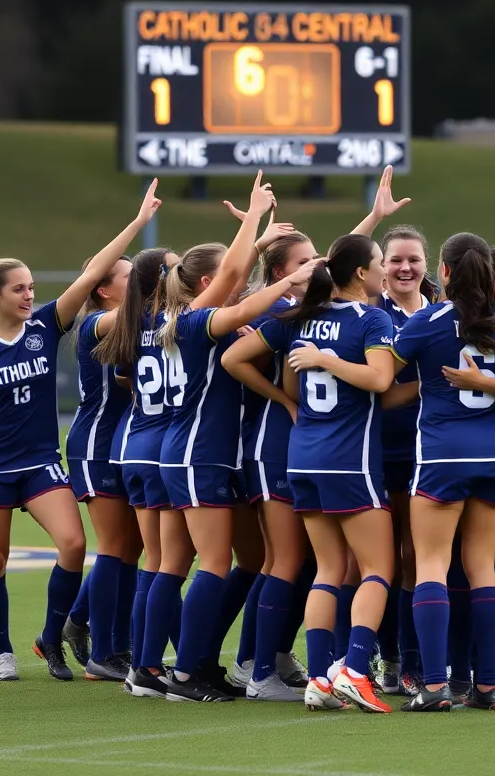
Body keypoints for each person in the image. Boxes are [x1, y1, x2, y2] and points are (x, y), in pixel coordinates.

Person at [0, 181, 162, 682]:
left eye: (32, 286)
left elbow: (96, 273)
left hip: (39, 460)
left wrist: (139, 221)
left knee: (74, 545)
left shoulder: (45, 326)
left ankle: (53, 637)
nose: (29, 294)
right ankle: (2, 651)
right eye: (19, 288)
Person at [224, 233, 397, 714]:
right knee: (378, 569)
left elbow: (234, 359)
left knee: (328, 569)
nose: (383, 270)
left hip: (302, 458)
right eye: (379, 262)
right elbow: (381, 380)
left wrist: (285, 399)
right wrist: (330, 361)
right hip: (350, 461)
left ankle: (320, 678)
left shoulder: (299, 318)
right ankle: (355, 672)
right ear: (361, 273)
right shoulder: (371, 318)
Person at [152, 220, 319, 703]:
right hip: (194, 453)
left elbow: (239, 292)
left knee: (237, 562)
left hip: (210, 455)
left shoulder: (207, 319)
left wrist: (262, 243)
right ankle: (184, 673)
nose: (241, 284)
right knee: (211, 564)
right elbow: (239, 291)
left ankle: (201, 663)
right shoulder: (192, 321)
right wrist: (270, 254)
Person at [390, 233, 495, 712]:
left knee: (430, 563)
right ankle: (489, 685)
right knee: (482, 566)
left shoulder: (426, 321)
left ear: (443, 272)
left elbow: (381, 376)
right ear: (492, 277)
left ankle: (433, 686)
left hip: (443, 454)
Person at [229, 229, 320, 701]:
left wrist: (371, 219)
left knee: (299, 561)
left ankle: (270, 657)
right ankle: (258, 670)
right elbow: (234, 359)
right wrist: (283, 398)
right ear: (281, 272)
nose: (315, 265)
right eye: (304, 260)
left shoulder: (302, 309)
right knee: (282, 560)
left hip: (301, 448)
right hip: (269, 446)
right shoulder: (269, 311)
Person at [96, 245, 177, 695]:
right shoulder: (174, 323)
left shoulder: (132, 324)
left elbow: (130, 378)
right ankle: (147, 666)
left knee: (155, 560)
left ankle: (142, 665)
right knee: (170, 563)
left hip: (134, 446)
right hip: (163, 449)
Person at [62, 255, 141, 682]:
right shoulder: (97, 322)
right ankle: (104, 652)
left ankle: (100, 635)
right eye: (131, 278)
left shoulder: (126, 320)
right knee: (114, 546)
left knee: (130, 548)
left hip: (123, 443)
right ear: (104, 290)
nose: (141, 284)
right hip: (94, 443)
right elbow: (141, 316)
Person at [373, 224, 433, 694]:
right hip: (382, 449)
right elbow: (382, 393)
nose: (405, 268)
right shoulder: (373, 315)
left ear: (427, 264)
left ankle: (414, 662)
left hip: (433, 453)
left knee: (418, 558)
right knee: (386, 559)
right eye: (395, 260)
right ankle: (391, 659)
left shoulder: (442, 312)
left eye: (413, 259)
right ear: (381, 267)